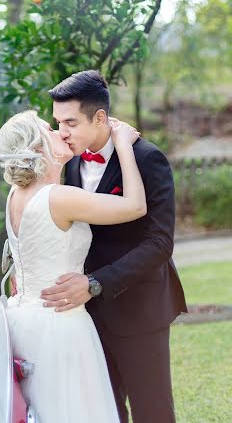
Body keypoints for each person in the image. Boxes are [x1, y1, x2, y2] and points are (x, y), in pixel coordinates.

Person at [41, 70, 187, 423]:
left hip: (140, 308)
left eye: (71, 122)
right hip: (87, 315)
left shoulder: (147, 158)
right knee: (105, 410)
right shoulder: (69, 162)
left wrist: (95, 283)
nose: (62, 132)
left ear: (100, 117)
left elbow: (160, 243)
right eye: (58, 122)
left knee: (152, 411)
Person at [0, 109, 146, 423]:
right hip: (59, 323)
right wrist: (123, 145)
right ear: (38, 149)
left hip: (22, 319)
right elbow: (135, 206)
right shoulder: (58, 198)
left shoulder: (15, 194)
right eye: (50, 130)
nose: (60, 133)